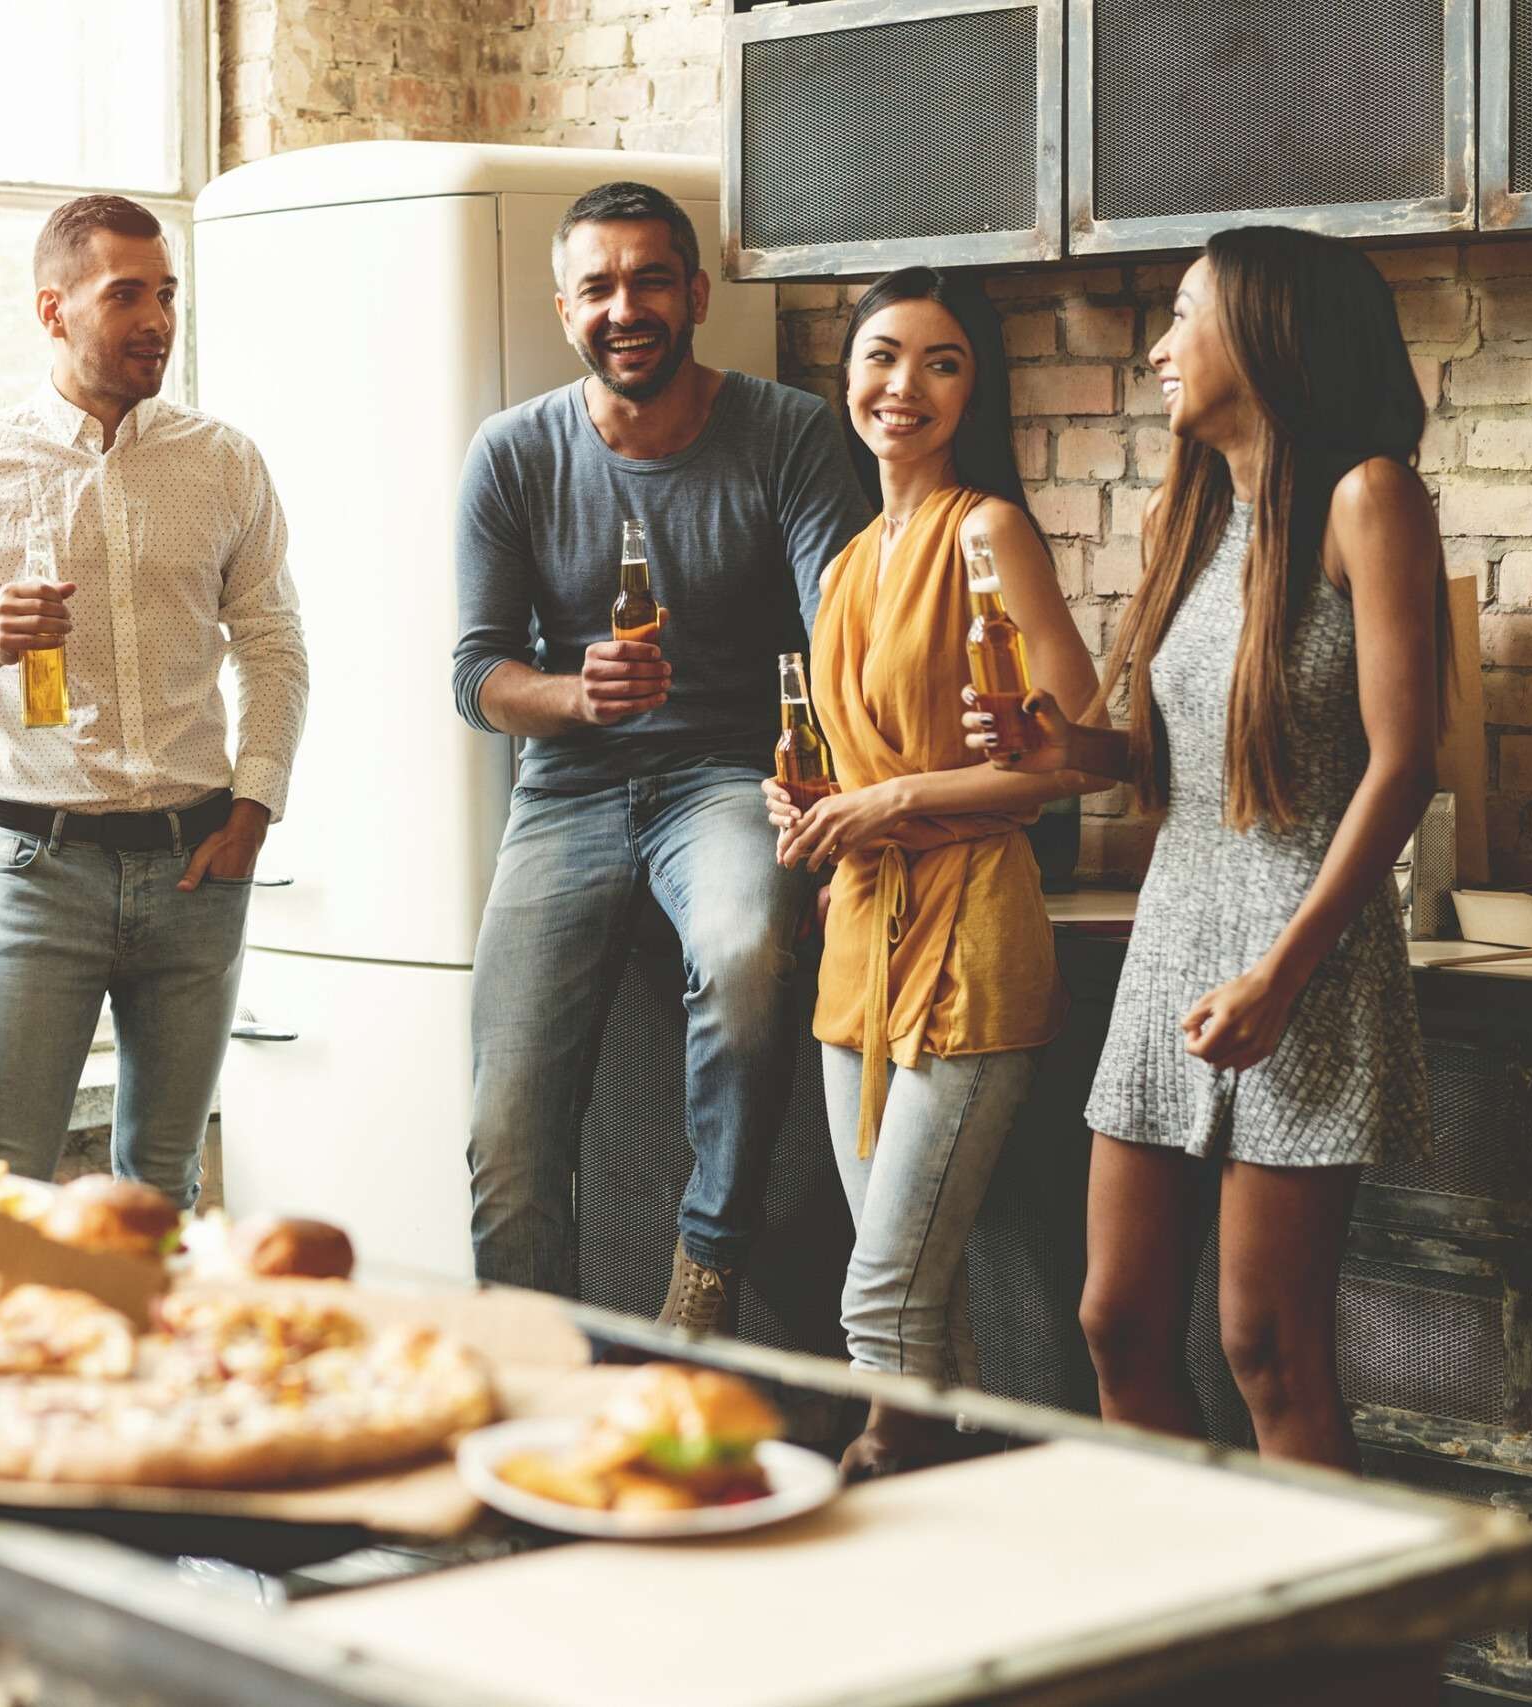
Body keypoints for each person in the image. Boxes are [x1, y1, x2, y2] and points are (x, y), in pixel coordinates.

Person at [969, 226, 1443, 1469]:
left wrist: (1281, 978)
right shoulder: (1193, 518)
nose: (1160, 348)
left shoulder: (1366, 497)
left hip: (1305, 959)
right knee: (1115, 1323)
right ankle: (1192, 1629)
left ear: (1269, 330)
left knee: (1265, 1347)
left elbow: (1403, 764)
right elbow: (1178, 763)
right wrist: (1063, 748)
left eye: (1185, 315)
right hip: (1174, 938)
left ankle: (1331, 1659)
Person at [453, 181, 864, 1332]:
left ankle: (706, 1260)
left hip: (729, 781)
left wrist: (850, 816)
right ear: (564, 308)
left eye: (646, 280)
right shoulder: (512, 454)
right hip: (567, 793)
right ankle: (535, 1377)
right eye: (597, 287)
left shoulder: (786, 432)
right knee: (504, 1126)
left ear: (694, 292)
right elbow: (477, 676)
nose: (622, 306)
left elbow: (843, 638)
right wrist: (574, 694)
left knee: (742, 955)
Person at [0, 194, 307, 1204]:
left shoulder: (223, 461)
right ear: (51, 308)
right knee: (3, 1192)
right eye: (126, 295)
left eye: (166, 294)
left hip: (197, 870)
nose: (156, 318)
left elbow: (275, 644)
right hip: (40, 874)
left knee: (158, 1195)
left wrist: (255, 809)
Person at [763, 268, 1098, 1478]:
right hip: (856, 943)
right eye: (882, 357)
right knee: (917, 1303)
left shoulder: (985, 528)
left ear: (976, 390)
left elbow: (1066, 756)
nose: (903, 385)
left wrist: (894, 798)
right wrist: (810, 801)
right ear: (847, 379)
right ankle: (952, 1547)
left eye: (941, 362)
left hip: (970, 936)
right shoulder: (852, 558)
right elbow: (851, 755)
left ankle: (886, 1493)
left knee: (879, 1297)